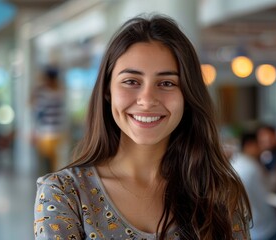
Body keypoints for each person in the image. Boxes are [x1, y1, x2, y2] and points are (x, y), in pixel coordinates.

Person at [34, 14, 251, 239]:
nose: (147, 100)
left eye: (166, 83)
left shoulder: (219, 192)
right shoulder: (64, 194)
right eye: (131, 81)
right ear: (108, 91)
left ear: (187, 94)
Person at [231, 132, 276, 240]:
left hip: (247, 228)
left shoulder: (234, 163)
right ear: (250, 145)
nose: (263, 147)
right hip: (263, 228)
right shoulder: (252, 167)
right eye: (260, 143)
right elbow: (268, 191)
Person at [31, 65, 66, 175]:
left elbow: (36, 112)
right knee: (54, 164)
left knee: (45, 165)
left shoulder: (43, 93)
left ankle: (48, 186)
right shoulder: (60, 92)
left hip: (45, 134)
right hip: (58, 133)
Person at [256, 125, 276, 189]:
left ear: (275, 136)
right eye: (262, 137)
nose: (266, 140)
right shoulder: (258, 154)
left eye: (269, 137)